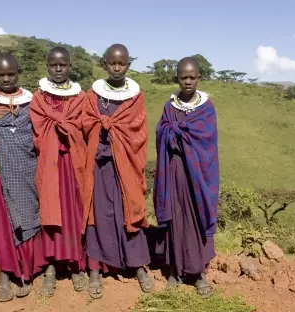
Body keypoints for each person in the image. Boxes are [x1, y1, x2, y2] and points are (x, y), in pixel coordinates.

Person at [82, 43, 153, 299]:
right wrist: (102, 130)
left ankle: (137, 266)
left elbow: (138, 131)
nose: (116, 67)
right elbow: (86, 123)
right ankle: (95, 268)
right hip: (100, 166)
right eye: (112, 62)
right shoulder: (93, 95)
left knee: (129, 210)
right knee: (97, 213)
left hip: (126, 167)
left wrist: (119, 143)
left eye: (121, 63)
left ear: (128, 65)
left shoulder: (136, 96)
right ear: (104, 63)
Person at [0, 52, 45, 302]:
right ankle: (5, 272)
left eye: (11, 74)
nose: (6, 78)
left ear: (18, 73)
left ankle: (27, 270)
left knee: (25, 217)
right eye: (1, 74)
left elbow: (34, 136)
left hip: (23, 172)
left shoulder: (30, 103)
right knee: (0, 224)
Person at [154, 57, 219, 298]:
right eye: (184, 77)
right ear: (177, 78)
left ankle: (199, 273)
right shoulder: (170, 107)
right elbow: (161, 132)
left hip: (198, 175)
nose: (188, 82)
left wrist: (182, 136)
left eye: (192, 77)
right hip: (175, 170)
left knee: (195, 218)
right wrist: (171, 134)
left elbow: (207, 142)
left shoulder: (206, 107)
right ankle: (175, 270)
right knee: (176, 219)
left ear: (199, 78)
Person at [29, 47, 88, 297]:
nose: (58, 69)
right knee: (50, 211)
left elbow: (84, 125)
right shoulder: (38, 98)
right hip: (50, 163)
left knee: (73, 213)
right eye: (54, 65)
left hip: (72, 163)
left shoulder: (80, 97)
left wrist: (67, 128)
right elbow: (38, 131)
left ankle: (76, 265)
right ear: (47, 66)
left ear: (70, 66)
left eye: (63, 65)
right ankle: (51, 266)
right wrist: (59, 127)